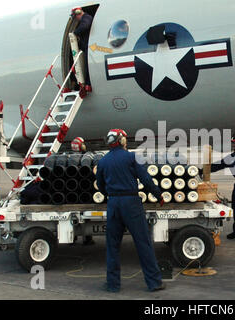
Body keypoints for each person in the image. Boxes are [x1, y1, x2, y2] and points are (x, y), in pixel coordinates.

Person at [96, 129, 166, 293]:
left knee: (112, 246)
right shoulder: (131, 157)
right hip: (131, 203)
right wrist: (158, 196)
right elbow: (146, 179)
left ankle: (113, 285)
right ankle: (154, 282)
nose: (126, 141)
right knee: (143, 243)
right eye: (124, 139)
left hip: (113, 204)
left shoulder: (103, 161)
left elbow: (100, 185)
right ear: (120, 140)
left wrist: (111, 196)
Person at [70, 137, 95, 246]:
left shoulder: (70, 157)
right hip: (85, 188)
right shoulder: (87, 156)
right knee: (86, 217)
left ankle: (73, 238)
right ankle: (87, 239)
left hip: (73, 188)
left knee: (74, 215)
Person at [71, 7, 93, 93]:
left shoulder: (86, 18)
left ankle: (88, 83)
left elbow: (85, 26)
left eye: (75, 16)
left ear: (78, 13)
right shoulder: (85, 18)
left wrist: (74, 33)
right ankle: (86, 83)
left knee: (87, 66)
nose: (76, 18)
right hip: (86, 46)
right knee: (85, 65)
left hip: (88, 46)